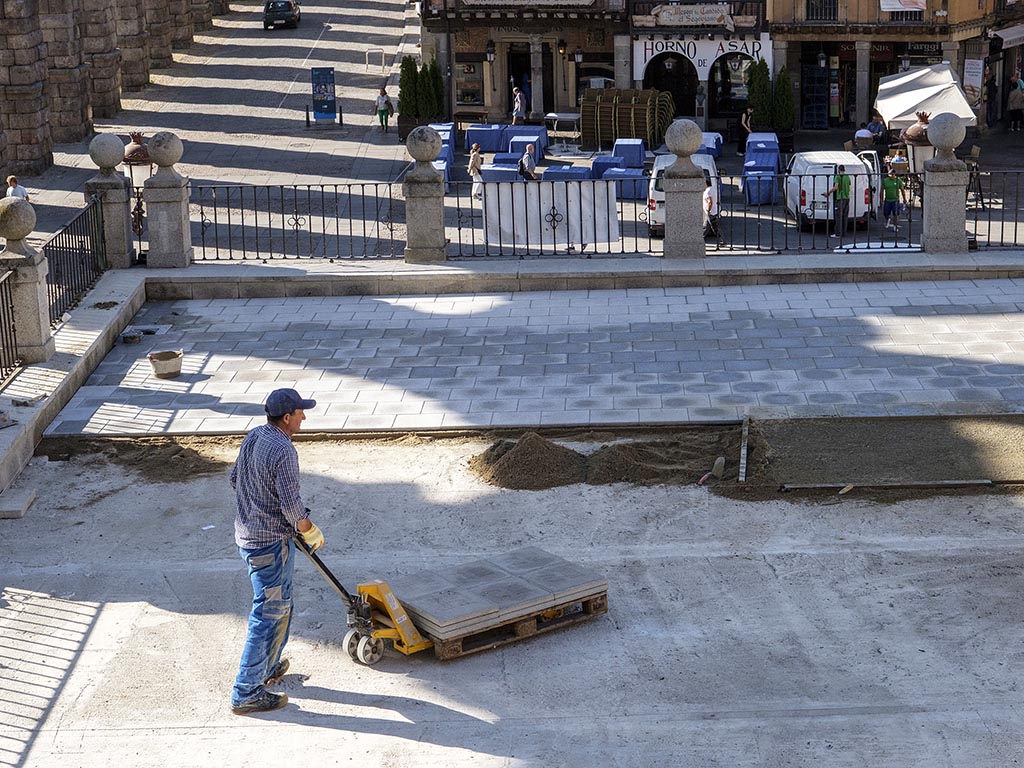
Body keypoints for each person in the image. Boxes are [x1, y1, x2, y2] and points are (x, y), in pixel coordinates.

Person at [230, 388, 325, 716]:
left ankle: (267, 666)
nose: (304, 417)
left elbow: (235, 479)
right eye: (300, 412)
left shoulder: (254, 435)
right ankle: (246, 692)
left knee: (281, 605)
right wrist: (308, 529)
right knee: (268, 613)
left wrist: (259, 505)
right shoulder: (284, 449)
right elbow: (291, 505)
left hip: (248, 537)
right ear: (287, 417)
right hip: (268, 546)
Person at [822, 164, 851, 240]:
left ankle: (838, 233)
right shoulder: (847, 176)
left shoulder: (838, 177)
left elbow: (836, 187)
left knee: (838, 217)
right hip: (847, 198)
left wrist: (828, 192)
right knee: (845, 216)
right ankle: (844, 232)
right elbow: (849, 185)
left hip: (840, 198)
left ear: (838, 170)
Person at [702, 177, 721, 241]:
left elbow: (710, 202)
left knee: (706, 226)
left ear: (706, 184)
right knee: (713, 226)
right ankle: (721, 239)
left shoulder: (707, 191)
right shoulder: (714, 189)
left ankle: (700, 239)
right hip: (715, 210)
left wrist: (708, 210)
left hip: (711, 212)